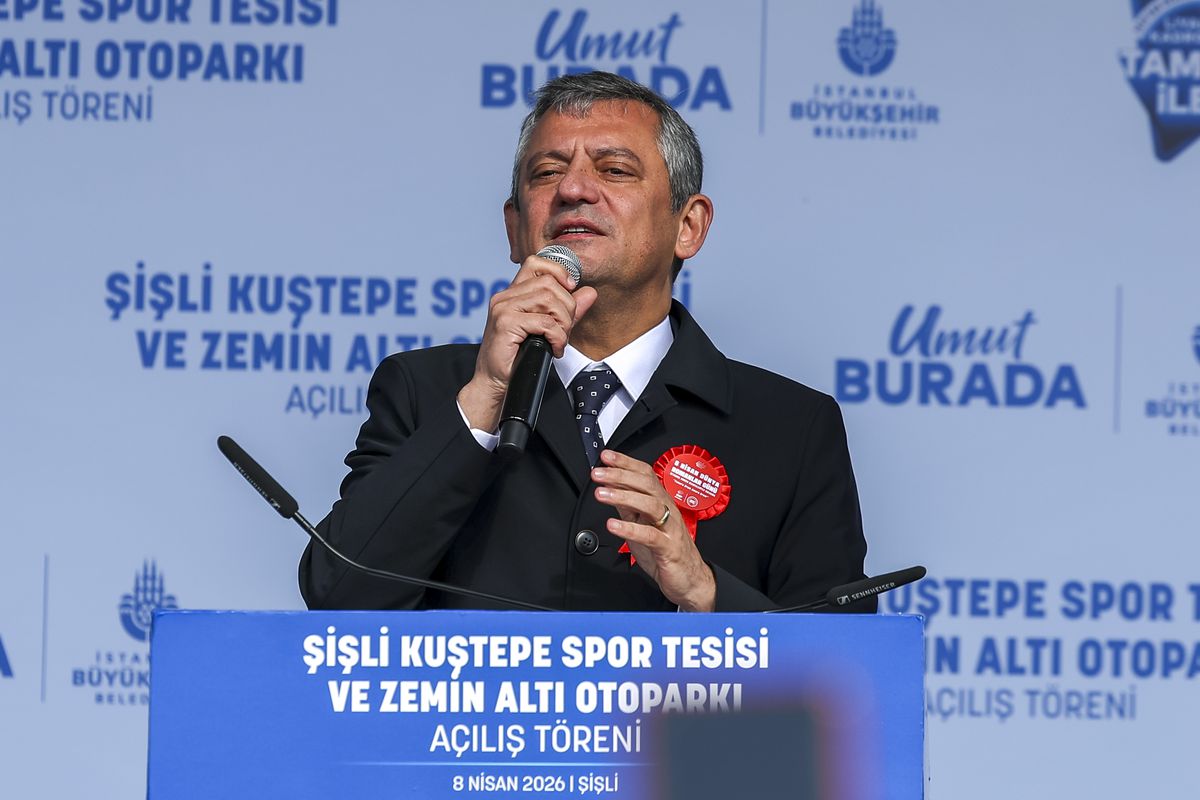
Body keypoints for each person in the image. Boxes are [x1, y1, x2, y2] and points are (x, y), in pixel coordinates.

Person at [300, 71, 870, 613]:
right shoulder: (425, 391)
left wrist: (705, 592)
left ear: (688, 226)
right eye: (547, 173)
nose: (573, 189)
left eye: (615, 170)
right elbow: (337, 593)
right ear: (514, 228)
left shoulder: (791, 427)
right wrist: (485, 397)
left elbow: (842, 664)